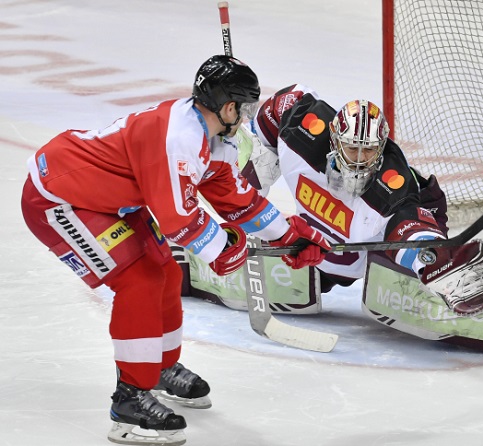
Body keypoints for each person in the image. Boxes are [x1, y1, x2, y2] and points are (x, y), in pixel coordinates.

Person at [20, 60, 330, 446]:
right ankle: (129, 401)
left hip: (111, 199)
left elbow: (235, 199)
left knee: (164, 270)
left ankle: (159, 367)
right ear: (229, 107)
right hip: (60, 198)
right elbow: (177, 220)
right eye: (245, 106)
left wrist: (290, 235)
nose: (247, 115)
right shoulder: (179, 136)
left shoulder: (214, 137)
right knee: (140, 281)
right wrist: (223, 250)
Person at [197, 83, 483, 364]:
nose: (361, 158)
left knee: (403, 295)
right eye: (352, 147)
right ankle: (184, 267)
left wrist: (431, 259)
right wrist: (245, 160)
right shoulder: (303, 124)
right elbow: (277, 108)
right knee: (274, 281)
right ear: (333, 140)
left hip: (387, 229)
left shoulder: (390, 188)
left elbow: (408, 229)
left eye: (370, 150)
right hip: (323, 235)